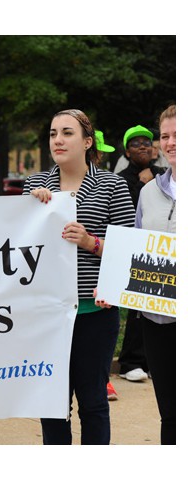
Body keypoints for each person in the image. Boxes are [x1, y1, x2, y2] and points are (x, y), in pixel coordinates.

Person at [23, 109, 135, 445]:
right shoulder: (33, 185)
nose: (58, 139)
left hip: (95, 315)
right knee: (53, 407)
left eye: (67, 133)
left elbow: (128, 250)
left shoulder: (112, 184)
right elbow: (15, 249)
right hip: (48, 316)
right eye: (53, 133)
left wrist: (90, 242)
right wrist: (29, 211)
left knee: (94, 404)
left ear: (87, 142)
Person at [136, 105, 176, 444]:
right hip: (156, 319)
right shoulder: (148, 192)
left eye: (179, 135)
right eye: (165, 136)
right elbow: (136, 249)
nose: (171, 142)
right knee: (170, 414)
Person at [116, 125, 167, 383]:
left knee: (160, 308)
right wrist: (141, 183)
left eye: (147, 142)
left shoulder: (164, 175)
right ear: (127, 151)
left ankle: (150, 361)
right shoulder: (122, 179)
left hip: (162, 254)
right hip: (136, 250)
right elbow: (128, 213)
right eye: (136, 144)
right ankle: (130, 362)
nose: (144, 147)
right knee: (138, 309)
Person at [95, 130, 119, 401]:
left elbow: (122, 244)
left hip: (101, 300)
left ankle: (105, 382)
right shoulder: (43, 185)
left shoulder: (112, 184)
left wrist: (92, 243)